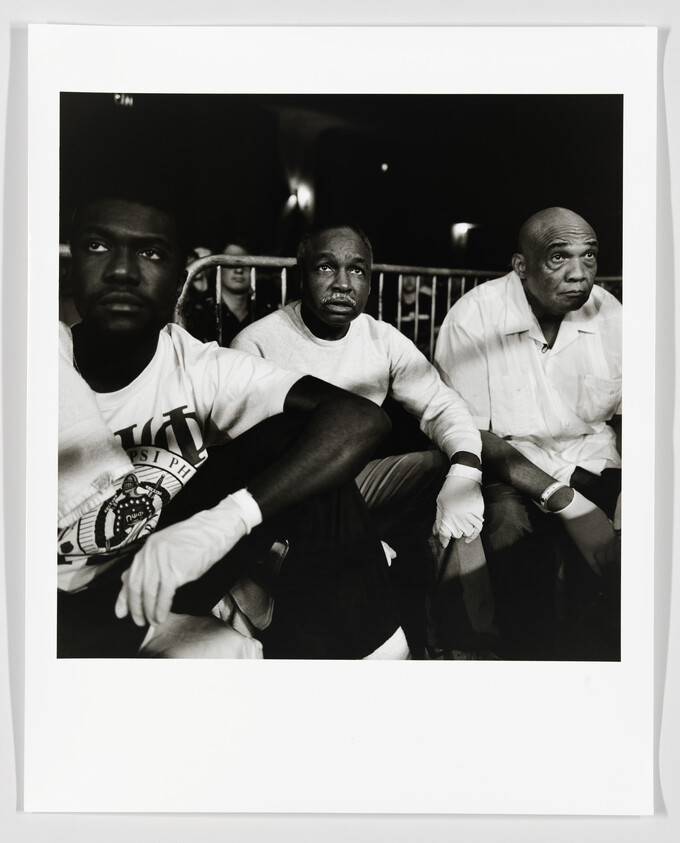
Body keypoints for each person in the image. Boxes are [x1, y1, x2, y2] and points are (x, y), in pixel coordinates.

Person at [58, 187, 407, 660]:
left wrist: (225, 522)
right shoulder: (32, 357)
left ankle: (374, 660)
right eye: (98, 247)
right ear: (68, 266)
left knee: (307, 437)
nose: (122, 271)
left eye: (151, 252)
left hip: (168, 566)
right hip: (60, 600)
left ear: (179, 280)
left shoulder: (201, 366)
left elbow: (360, 417)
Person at [232, 223, 488, 656]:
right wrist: (357, 534)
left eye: (357, 270)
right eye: (326, 267)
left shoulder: (380, 337)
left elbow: (442, 405)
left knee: (451, 471)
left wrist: (465, 471)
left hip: (359, 482)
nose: (342, 284)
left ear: (369, 280)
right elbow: (248, 461)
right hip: (293, 497)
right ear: (302, 274)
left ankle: (467, 644)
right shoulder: (257, 341)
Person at [435, 207, 622, 660]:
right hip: (510, 467)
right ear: (522, 267)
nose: (580, 275)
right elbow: (472, 432)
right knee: (509, 537)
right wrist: (568, 502)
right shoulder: (474, 317)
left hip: (594, 457)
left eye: (590, 257)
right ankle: (525, 661)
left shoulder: (610, 312)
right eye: (559, 258)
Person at [183, 242, 275, 346]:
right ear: (217, 267)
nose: (239, 270)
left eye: (246, 263)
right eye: (231, 263)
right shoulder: (198, 312)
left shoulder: (266, 312)